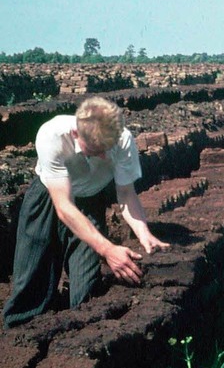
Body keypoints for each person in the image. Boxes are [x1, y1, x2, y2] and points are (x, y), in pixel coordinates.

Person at [3, 97, 169, 328]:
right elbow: (64, 207)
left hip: (91, 200)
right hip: (49, 198)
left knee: (86, 285)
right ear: (75, 133)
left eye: (106, 151)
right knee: (32, 277)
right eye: (94, 151)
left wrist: (144, 233)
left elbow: (126, 194)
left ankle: (76, 332)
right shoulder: (52, 135)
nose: (102, 158)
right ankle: (21, 333)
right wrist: (108, 249)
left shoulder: (124, 141)